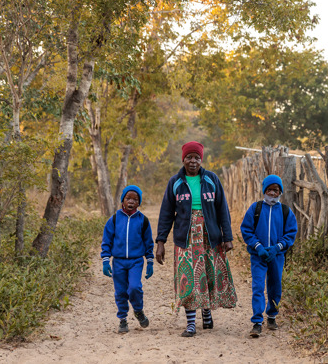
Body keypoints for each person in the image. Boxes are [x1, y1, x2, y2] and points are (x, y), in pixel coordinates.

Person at [155, 141, 237, 337]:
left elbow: (222, 210)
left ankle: (207, 313)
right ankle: (191, 323)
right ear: (183, 159)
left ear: (202, 159)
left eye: (197, 157)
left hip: (210, 236)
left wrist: (228, 237)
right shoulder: (175, 182)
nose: (193, 161)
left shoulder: (212, 179)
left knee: (207, 275)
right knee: (188, 278)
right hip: (186, 237)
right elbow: (166, 213)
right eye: (189, 157)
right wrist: (160, 242)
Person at [240, 174, 298, 338]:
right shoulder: (255, 209)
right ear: (265, 190)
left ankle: (272, 316)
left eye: (276, 190)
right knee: (258, 286)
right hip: (258, 255)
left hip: (276, 255)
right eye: (270, 190)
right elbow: (246, 230)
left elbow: (291, 233)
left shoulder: (286, 212)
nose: (273, 193)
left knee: (275, 286)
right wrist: (258, 247)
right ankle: (257, 321)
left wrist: (277, 247)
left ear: (280, 192)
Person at [101, 185, 154, 334]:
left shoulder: (143, 220)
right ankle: (122, 319)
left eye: (135, 199)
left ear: (139, 203)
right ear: (122, 200)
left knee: (134, 287)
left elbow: (148, 242)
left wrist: (150, 261)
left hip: (136, 261)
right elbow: (107, 241)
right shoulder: (114, 219)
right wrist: (105, 261)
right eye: (128, 198)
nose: (131, 201)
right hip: (118, 261)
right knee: (120, 292)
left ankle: (138, 310)